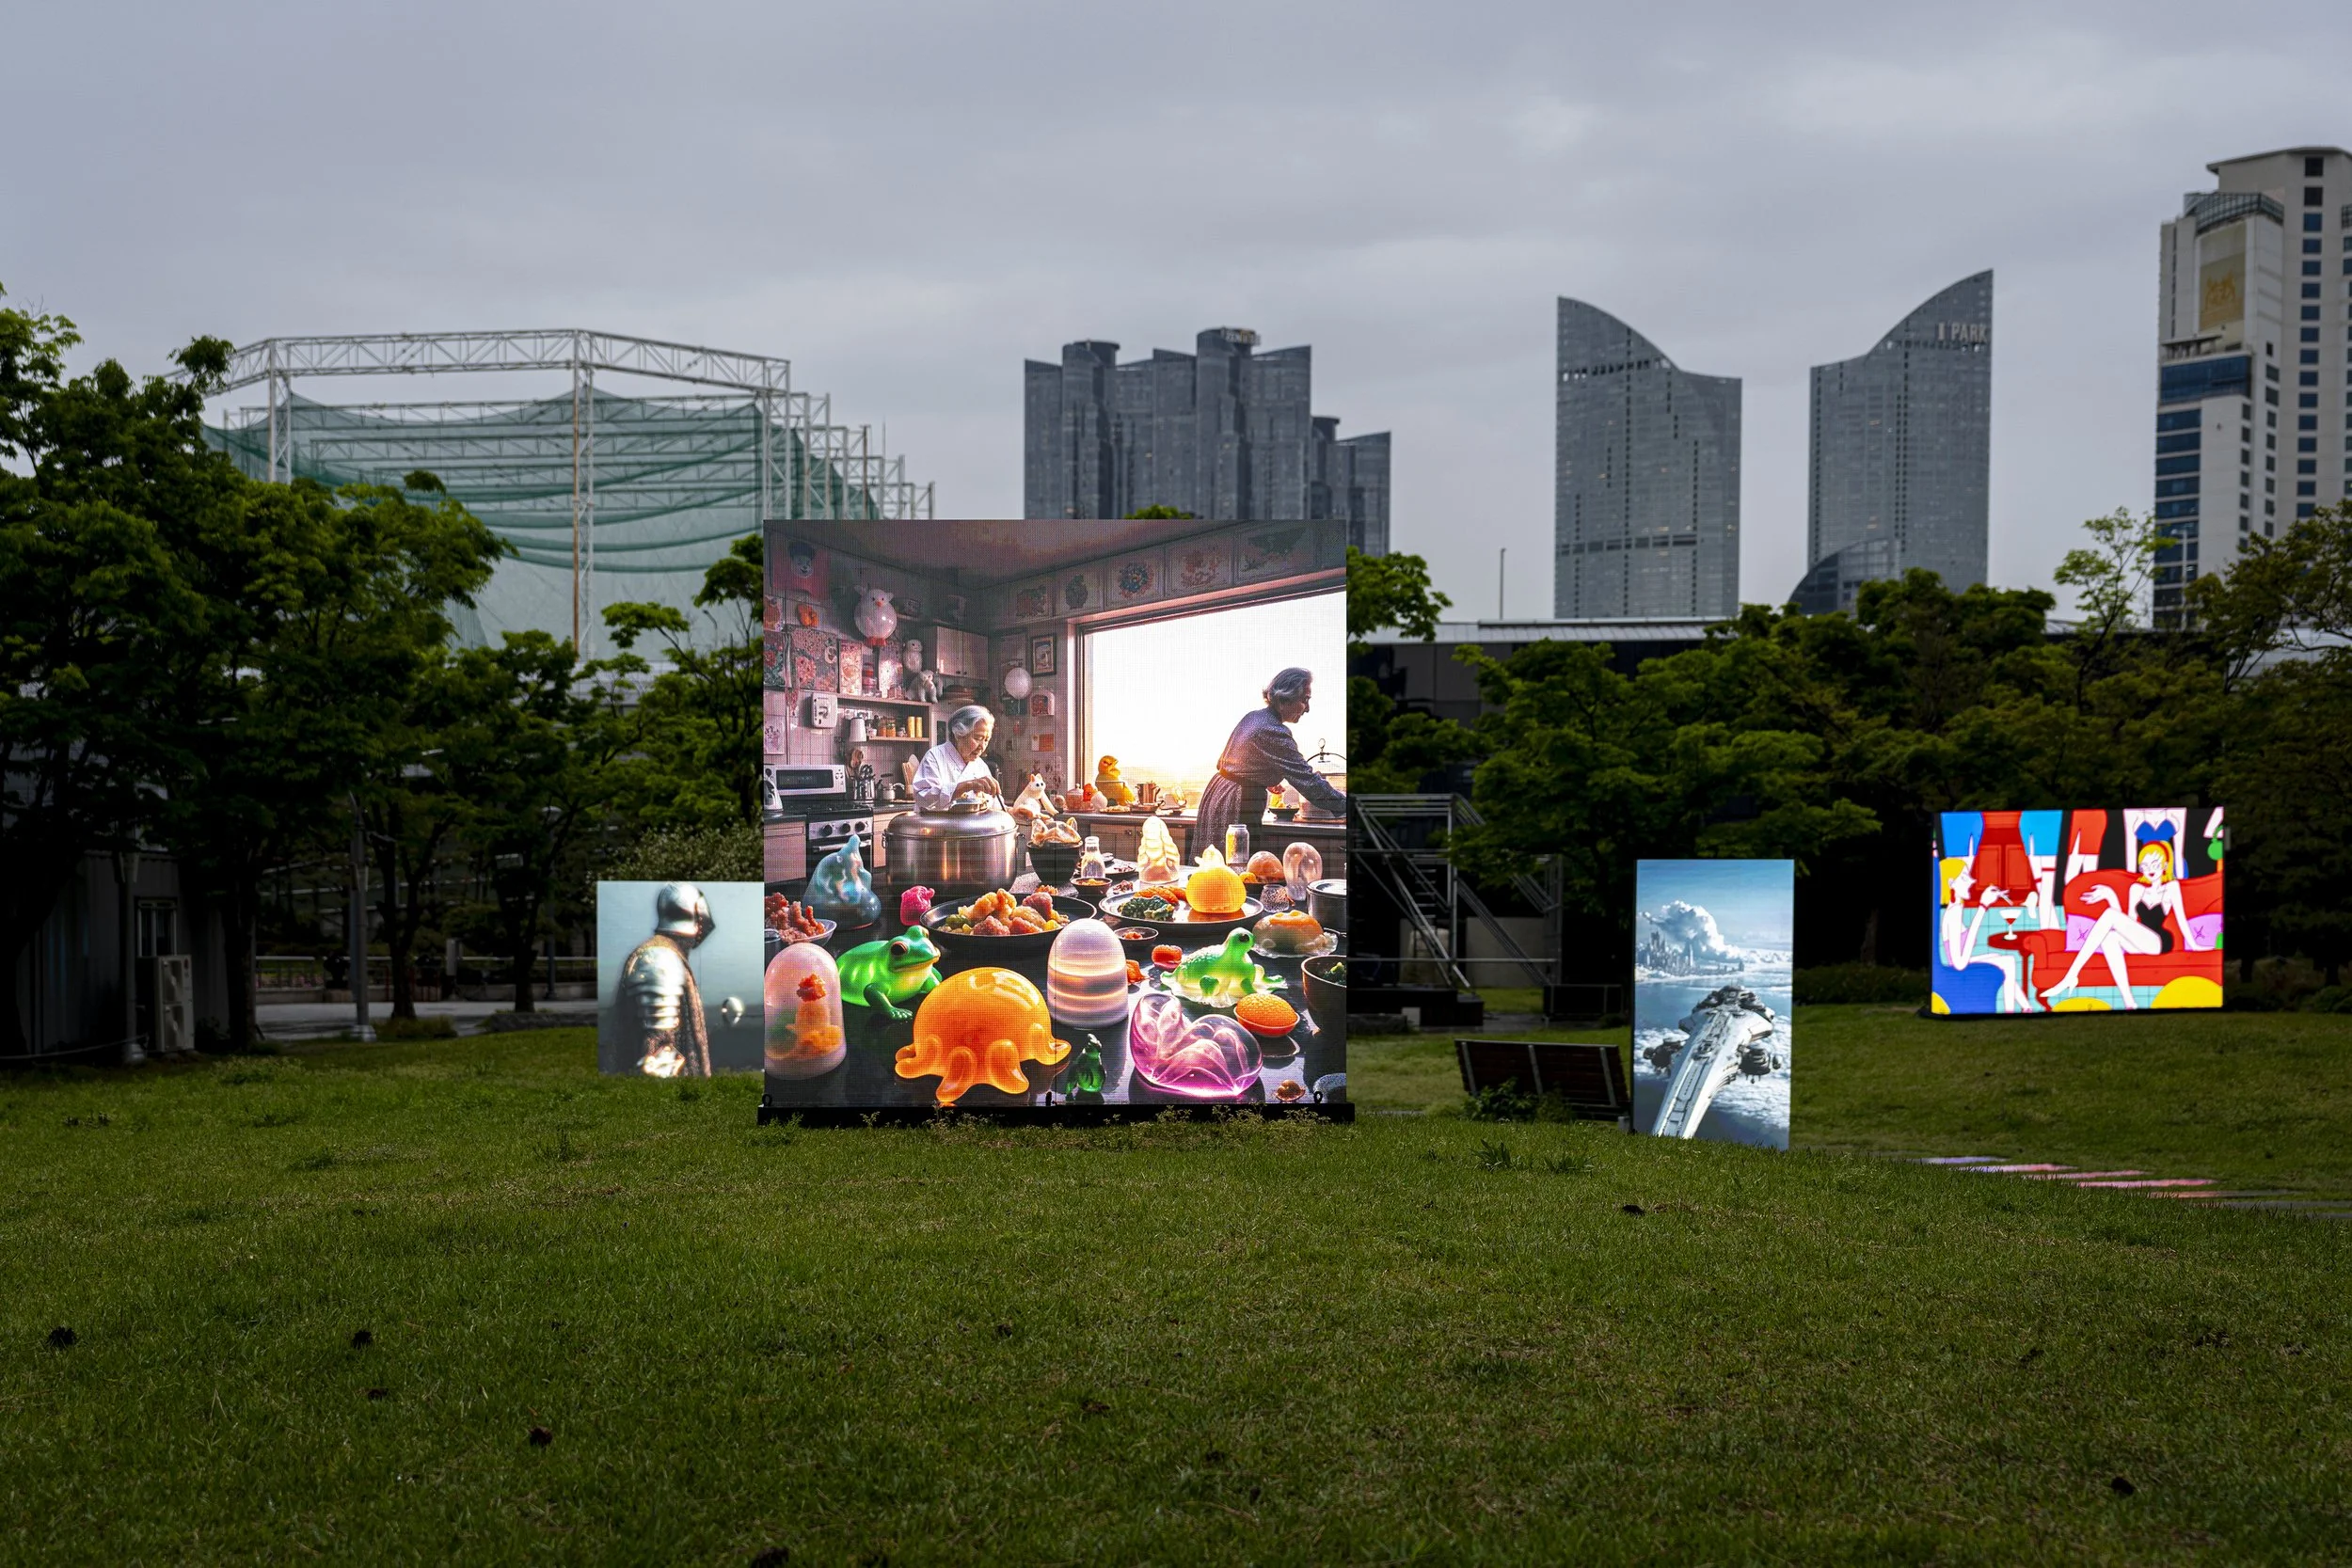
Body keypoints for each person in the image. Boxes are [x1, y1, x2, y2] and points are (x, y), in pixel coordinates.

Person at [2043, 820, 2211, 1010]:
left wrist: (2195, 945)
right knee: (2110, 938)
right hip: (2141, 941)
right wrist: (2111, 896)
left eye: (2155, 863)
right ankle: (2129, 1002)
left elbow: (2181, 919)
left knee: (2109, 915)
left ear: (2165, 864)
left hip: (2159, 941)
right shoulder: (2136, 888)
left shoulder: (2171, 887)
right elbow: (2129, 923)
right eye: (2145, 865)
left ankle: (2071, 974)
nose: (2150, 869)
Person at [1191, 668, 1345, 865]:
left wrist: (1264, 778)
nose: (1307, 708)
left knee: (1215, 864)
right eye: (1305, 699)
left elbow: (1227, 762)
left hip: (1218, 792)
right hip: (1240, 800)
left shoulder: (1254, 717)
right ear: (1285, 698)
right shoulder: (1274, 731)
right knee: (1239, 865)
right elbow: (1308, 781)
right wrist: (1346, 805)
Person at [912, 704, 1001, 812]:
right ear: (959, 734)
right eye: (978, 738)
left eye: (986, 740)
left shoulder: (980, 765)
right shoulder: (935, 757)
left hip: (970, 828)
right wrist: (968, 785)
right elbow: (923, 799)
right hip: (938, 827)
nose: (982, 746)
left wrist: (1012, 812)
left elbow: (994, 806)